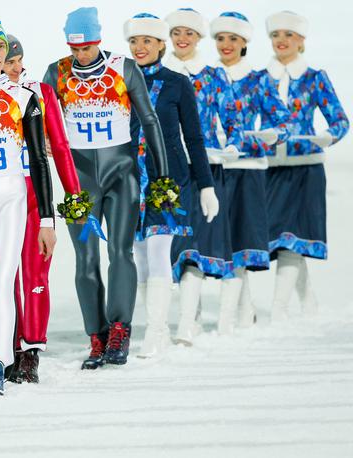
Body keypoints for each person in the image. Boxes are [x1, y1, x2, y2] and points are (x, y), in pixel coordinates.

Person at [0, 34, 81, 383]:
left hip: (32, 193)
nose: (17, 68)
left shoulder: (36, 94)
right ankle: (5, 344)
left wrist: (74, 195)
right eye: (8, 61)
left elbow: (59, 148)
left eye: (19, 60)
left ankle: (31, 351)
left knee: (34, 274)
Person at [43, 7, 169, 369]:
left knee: (121, 252)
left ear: (98, 40)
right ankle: (96, 337)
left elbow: (149, 119)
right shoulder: (56, 72)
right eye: (74, 48)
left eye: (87, 47)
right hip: (79, 182)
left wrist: (160, 177)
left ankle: (119, 330)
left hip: (121, 174)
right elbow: (41, 121)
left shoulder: (123, 67)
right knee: (85, 261)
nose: (80, 55)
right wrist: (45, 144)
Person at [124, 13, 217, 358]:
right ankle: (154, 327)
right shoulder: (119, 82)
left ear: (162, 44)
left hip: (169, 179)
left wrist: (205, 185)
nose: (140, 47)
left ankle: (156, 330)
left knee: (160, 249)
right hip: (131, 176)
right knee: (139, 255)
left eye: (147, 40)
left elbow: (193, 137)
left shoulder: (178, 83)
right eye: (134, 41)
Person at [262, 11, 349, 321]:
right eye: (276, 35)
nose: (281, 41)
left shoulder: (315, 78)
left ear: (301, 41)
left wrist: (321, 139)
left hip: (306, 168)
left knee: (291, 236)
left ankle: (278, 310)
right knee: (283, 239)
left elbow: (340, 121)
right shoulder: (260, 79)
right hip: (270, 168)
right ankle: (308, 302)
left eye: (288, 35)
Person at [211, 12, 292, 334]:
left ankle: (235, 317)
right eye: (220, 38)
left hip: (249, 169)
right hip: (215, 167)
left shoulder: (259, 80)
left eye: (233, 38)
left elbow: (284, 122)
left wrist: (267, 135)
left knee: (242, 240)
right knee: (221, 241)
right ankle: (239, 313)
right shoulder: (208, 78)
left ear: (245, 42)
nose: (226, 44)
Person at [164, 8, 241, 344]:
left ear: (199, 37)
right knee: (174, 248)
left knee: (195, 246)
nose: (182, 39)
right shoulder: (160, 73)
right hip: (166, 173)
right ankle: (187, 318)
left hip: (205, 170)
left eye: (189, 33)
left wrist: (233, 146)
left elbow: (233, 121)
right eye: (176, 32)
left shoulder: (213, 77)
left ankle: (185, 324)